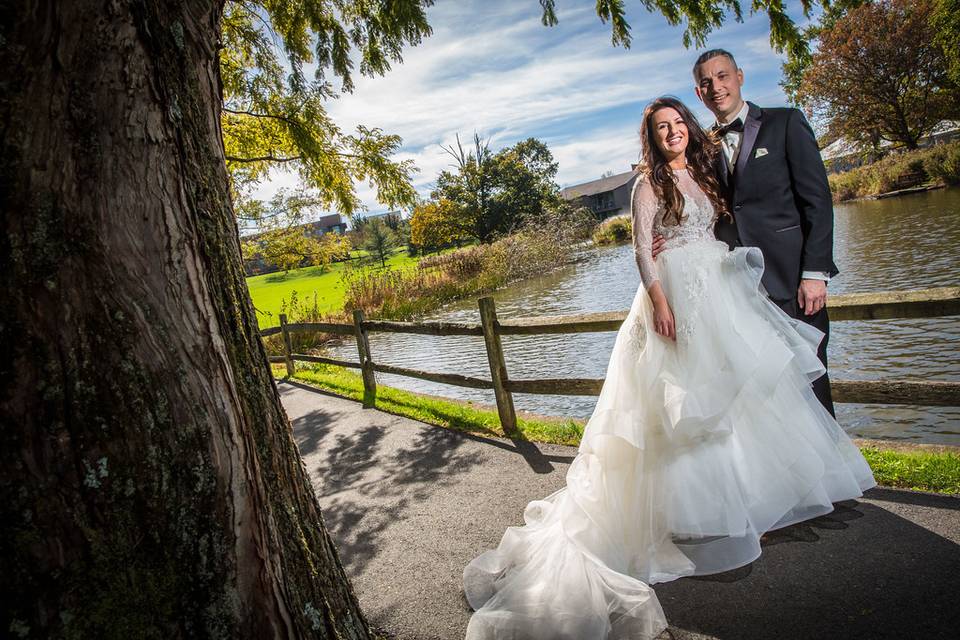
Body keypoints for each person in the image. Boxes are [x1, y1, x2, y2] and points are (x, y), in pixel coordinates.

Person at [461, 95, 875, 640]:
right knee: (684, 403)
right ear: (652, 137)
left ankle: (752, 500)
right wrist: (660, 303)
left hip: (721, 288)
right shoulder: (645, 185)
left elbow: (728, 224)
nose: (673, 131)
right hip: (676, 293)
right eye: (663, 127)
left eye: (679, 122)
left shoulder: (705, 171)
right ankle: (691, 514)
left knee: (739, 395)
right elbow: (641, 250)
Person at [654, 48, 838, 416]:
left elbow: (817, 200)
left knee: (811, 386)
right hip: (735, 294)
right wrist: (665, 239)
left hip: (793, 284)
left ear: (739, 76)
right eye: (706, 82)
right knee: (761, 399)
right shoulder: (699, 148)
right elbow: (699, 210)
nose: (716, 87)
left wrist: (815, 273)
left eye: (722, 76)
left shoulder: (786, 123)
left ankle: (832, 473)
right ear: (698, 94)